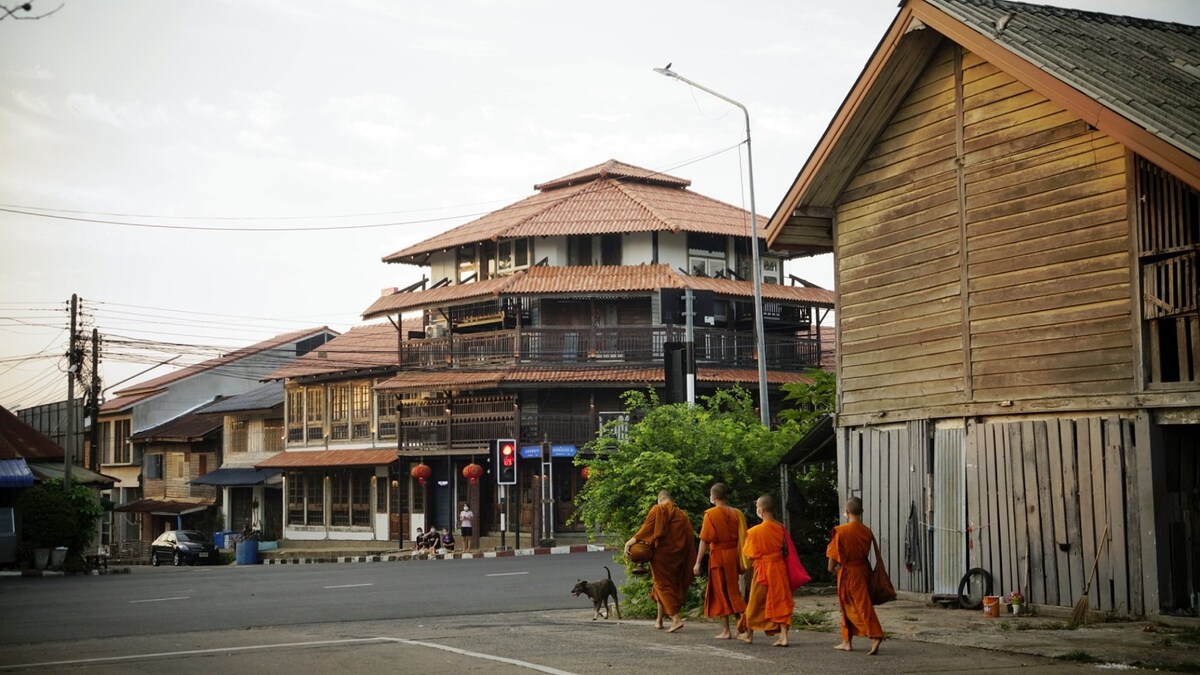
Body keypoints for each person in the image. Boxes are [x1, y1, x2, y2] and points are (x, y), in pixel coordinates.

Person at [624, 489, 695, 633]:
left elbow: (646, 529)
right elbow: (689, 540)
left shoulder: (658, 510)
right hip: (677, 557)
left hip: (661, 556)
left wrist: (629, 543)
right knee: (660, 586)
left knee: (662, 585)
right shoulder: (682, 516)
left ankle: (676, 619)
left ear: (659, 500)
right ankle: (659, 620)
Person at [826, 496, 885, 656]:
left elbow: (833, 556)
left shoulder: (842, 531)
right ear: (862, 511)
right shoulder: (866, 531)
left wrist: (832, 568)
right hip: (863, 569)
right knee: (850, 605)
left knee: (859, 604)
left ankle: (875, 634)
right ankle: (847, 641)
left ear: (846, 512)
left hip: (849, 572)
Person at [693, 483, 748, 639]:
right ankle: (740, 626)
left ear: (713, 497)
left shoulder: (710, 514)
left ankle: (726, 630)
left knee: (720, 592)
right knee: (733, 590)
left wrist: (697, 563)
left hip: (718, 556)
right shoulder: (737, 513)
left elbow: (704, 540)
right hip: (734, 555)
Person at [736, 495, 792, 647]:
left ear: (760, 510)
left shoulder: (754, 532)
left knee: (754, 602)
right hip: (779, 568)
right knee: (780, 600)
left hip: (762, 570)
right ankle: (784, 636)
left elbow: (749, 553)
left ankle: (748, 635)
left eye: (756, 508)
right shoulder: (781, 528)